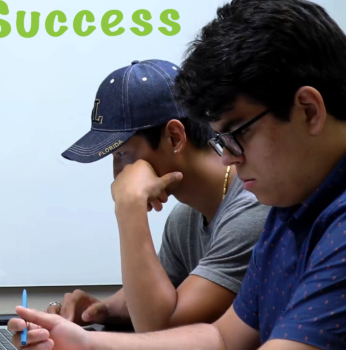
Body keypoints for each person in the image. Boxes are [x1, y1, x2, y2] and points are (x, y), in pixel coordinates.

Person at [7, 0, 346, 350]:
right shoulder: (293, 201)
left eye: (237, 135)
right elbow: (222, 339)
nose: (228, 159)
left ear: (309, 110)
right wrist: (86, 344)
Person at [53, 60, 269, 333]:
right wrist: (99, 310)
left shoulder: (252, 208)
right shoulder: (185, 219)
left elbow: (158, 324)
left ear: (175, 137)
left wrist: (129, 206)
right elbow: (152, 302)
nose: (118, 177)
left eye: (121, 154)